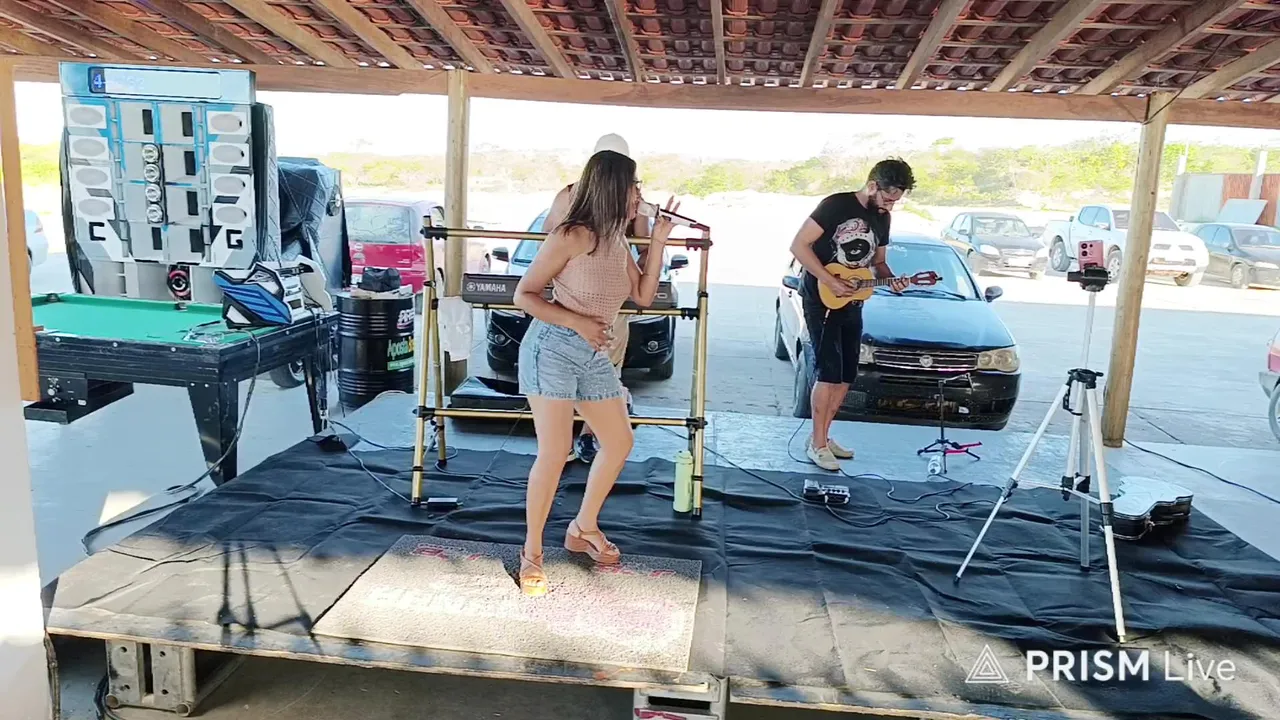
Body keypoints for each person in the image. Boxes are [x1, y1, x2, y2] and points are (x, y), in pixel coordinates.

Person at [513, 148, 679, 597]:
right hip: (552, 348)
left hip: (593, 353)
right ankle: (532, 553)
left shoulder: (617, 239)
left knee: (619, 441)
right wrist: (578, 322)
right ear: (613, 187)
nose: (639, 194)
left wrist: (658, 240)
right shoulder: (573, 235)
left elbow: (644, 295)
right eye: (634, 185)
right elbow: (524, 295)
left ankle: (582, 528)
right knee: (555, 451)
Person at [788, 158, 915, 471]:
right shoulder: (835, 206)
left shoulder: (883, 218)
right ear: (872, 186)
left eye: (895, 201)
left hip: (854, 301)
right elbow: (799, 246)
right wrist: (828, 279)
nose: (890, 206)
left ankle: (822, 435)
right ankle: (817, 445)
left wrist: (893, 280)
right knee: (829, 372)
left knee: (846, 375)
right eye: (887, 198)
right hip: (822, 299)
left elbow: (879, 263)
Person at [543, 134, 650, 465]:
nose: (635, 193)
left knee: (604, 370)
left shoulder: (574, 196)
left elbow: (644, 248)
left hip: (605, 302)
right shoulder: (572, 208)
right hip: (577, 309)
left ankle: (584, 435)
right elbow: (550, 242)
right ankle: (580, 437)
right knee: (597, 366)